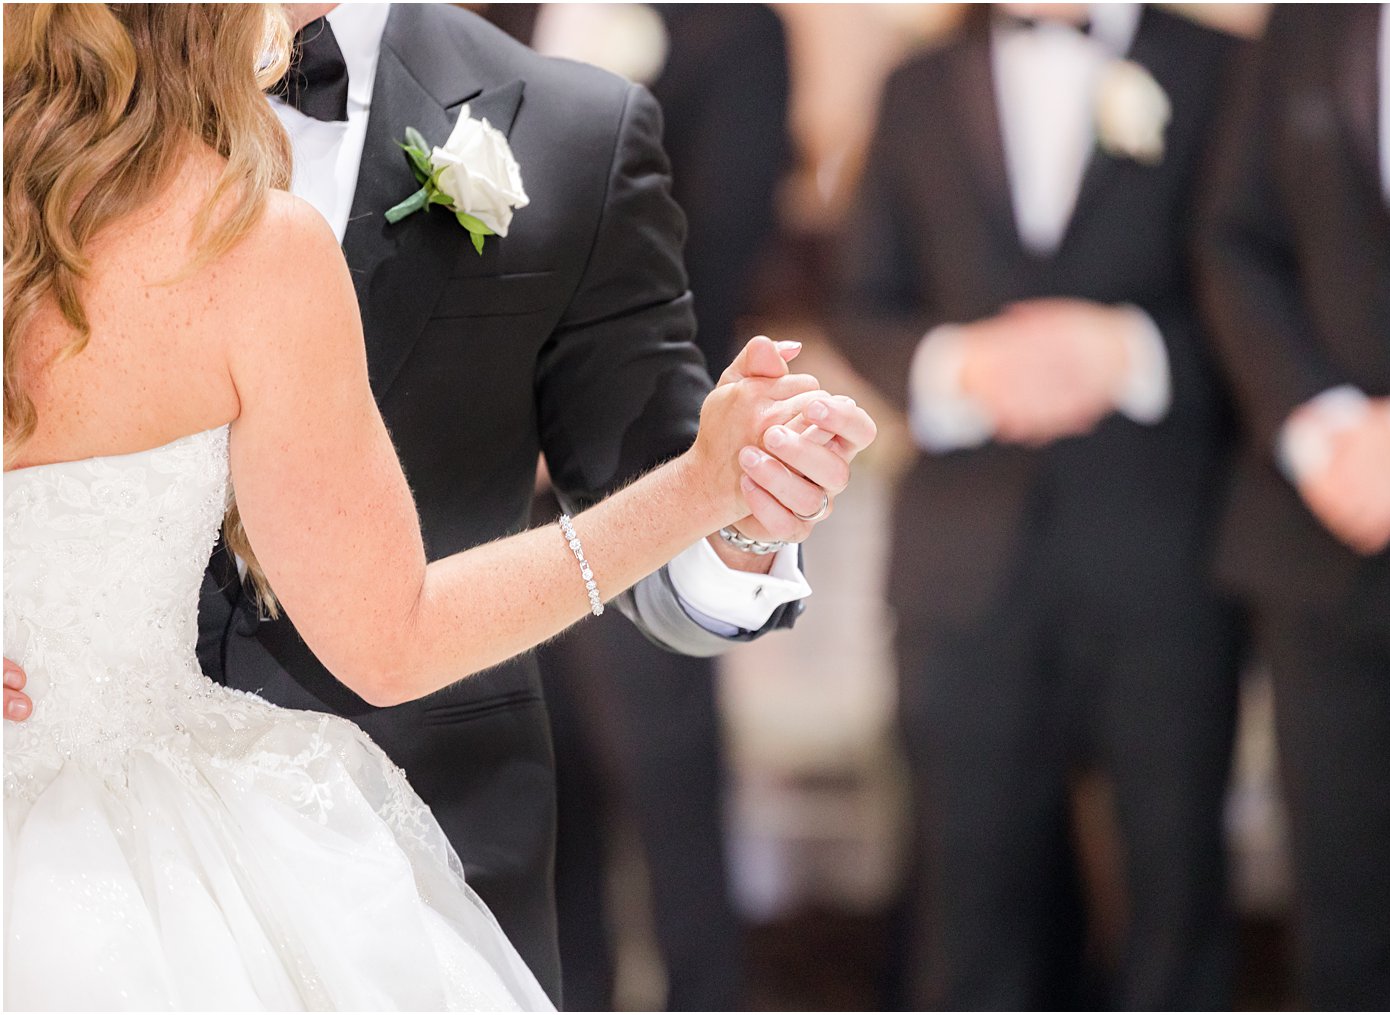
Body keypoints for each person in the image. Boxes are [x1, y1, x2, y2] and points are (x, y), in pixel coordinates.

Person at [4, 2, 882, 1006]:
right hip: (262, 861)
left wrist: (736, 512)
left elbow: (635, 436)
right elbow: (393, 636)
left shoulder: (572, 128)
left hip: (430, 836)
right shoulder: (261, 248)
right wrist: (696, 487)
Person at [830, 4, 1243, 1008]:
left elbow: (1264, 289)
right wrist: (958, 366)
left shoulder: (1223, 70)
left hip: (1164, 551)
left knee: (1175, 897)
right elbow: (861, 298)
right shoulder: (915, 86)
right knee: (965, 910)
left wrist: (1129, 354)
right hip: (962, 561)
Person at [1196, 4, 1390, 1008]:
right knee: (1339, 938)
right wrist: (1315, 423)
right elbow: (1232, 238)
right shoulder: (1302, 22)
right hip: (1319, 543)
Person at [478, 5, 795, 1007]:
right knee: (530, 788)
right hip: (478, 490)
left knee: (667, 790)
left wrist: (567, 416)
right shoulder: (472, 19)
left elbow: (713, 265)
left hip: (642, 468)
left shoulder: (732, 31)